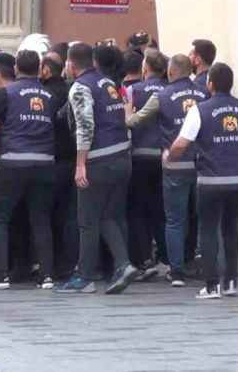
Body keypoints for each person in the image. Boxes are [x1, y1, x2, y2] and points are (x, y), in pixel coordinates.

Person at [167, 63, 238, 299]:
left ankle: (211, 286)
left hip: (211, 180)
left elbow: (181, 144)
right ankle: (231, 283)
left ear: (210, 84)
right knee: (231, 227)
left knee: (208, 229)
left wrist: (170, 158)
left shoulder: (200, 110)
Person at [55, 43, 138, 295]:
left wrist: (80, 164)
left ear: (70, 64)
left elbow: (85, 125)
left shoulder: (80, 87)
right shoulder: (107, 83)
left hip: (99, 160)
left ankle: (84, 277)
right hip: (122, 157)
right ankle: (123, 265)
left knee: (87, 221)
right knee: (107, 216)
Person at [0, 51, 57, 290]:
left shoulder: (6, 93)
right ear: (39, 68)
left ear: (17, 68)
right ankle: (47, 275)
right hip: (45, 161)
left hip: (13, 161)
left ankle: (1, 275)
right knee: (40, 218)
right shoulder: (50, 95)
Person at [126, 54, 208, 287]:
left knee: (174, 219)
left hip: (174, 164)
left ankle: (177, 271)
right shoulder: (203, 93)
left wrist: (125, 113)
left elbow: (135, 121)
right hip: (202, 165)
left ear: (170, 72)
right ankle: (199, 262)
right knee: (200, 218)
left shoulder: (161, 95)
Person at [124, 49, 168, 279]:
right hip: (165, 157)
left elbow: (127, 121)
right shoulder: (169, 91)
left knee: (138, 211)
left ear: (145, 68)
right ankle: (165, 258)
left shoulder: (133, 90)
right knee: (161, 210)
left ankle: (142, 260)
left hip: (140, 157)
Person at [40, 51, 78, 278]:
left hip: (51, 159)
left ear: (46, 69)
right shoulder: (72, 90)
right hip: (73, 159)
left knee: (47, 214)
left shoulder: (45, 94)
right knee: (69, 215)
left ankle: (50, 264)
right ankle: (68, 263)